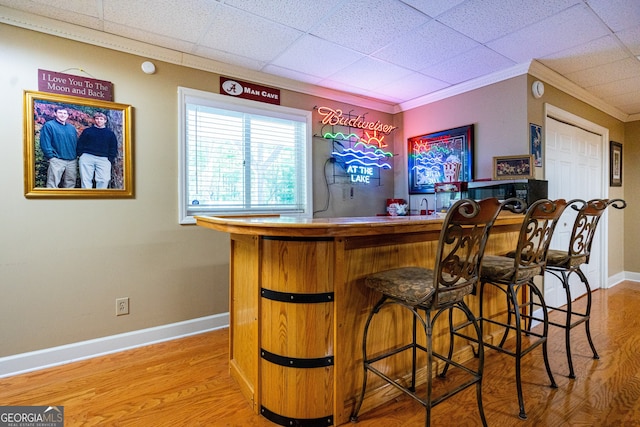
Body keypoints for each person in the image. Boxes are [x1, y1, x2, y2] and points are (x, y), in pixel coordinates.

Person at [39, 106, 79, 188]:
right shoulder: (49, 125)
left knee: (70, 184)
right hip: (57, 159)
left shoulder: (71, 128)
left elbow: (75, 143)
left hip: (72, 160)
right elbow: (45, 142)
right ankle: (51, 201)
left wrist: (76, 155)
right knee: (52, 184)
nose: (63, 115)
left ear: (68, 115)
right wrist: (50, 156)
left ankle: (68, 201)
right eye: (60, 113)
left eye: (65, 113)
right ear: (55, 114)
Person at [77, 111, 118, 189]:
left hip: (103, 159)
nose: (99, 120)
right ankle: (86, 198)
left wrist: (110, 158)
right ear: (94, 120)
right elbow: (80, 143)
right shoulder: (88, 131)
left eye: (101, 119)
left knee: (104, 180)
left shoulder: (110, 133)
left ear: (105, 120)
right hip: (87, 157)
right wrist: (81, 154)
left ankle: (100, 198)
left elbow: (113, 147)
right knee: (86, 179)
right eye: (97, 118)